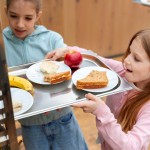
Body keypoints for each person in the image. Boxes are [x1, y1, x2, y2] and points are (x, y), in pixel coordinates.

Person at [3, 0, 88, 150]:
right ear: (6, 12)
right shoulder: (2, 44)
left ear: (37, 16)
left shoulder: (52, 39)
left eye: (28, 18)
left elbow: (71, 59)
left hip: (62, 118)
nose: (20, 24)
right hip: (30, 126)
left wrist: (65, 52)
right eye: (14, 16)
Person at [72, 29, 150, 150]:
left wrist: (101, 111)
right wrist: (68, 50)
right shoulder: (123, 72)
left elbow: (131, 146)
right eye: (130, 52)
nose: (127, 60)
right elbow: (97, 60)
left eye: (136, 58)